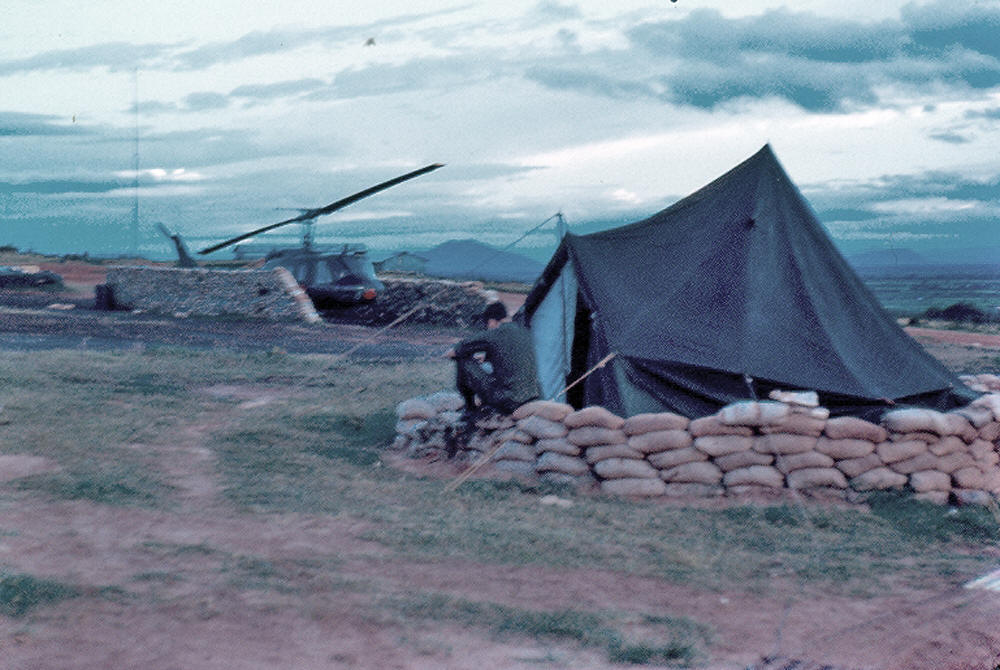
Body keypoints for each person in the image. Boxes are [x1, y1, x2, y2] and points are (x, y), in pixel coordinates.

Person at [445, 302, 540, 416]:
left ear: (491, 322)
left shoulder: (495, 333)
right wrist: (487, 357)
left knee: (462, 359)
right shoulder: (523, 331)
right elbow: (510, 354)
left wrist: (451, 353)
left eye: (487, 325)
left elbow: (456, 350)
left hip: (509, 401)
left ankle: (470, 408)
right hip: (531, 397)